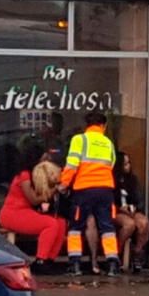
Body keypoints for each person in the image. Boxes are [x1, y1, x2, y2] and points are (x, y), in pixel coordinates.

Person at [59, 111, 121, 277]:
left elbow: (71, 165)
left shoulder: (80, 140)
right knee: (107, 227)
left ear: (86, 125)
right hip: (105, 190)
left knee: (76, 227)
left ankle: (75, 264)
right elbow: (112, 163)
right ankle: (113, 264)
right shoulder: (108, 142)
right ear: (103, 126)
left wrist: (64, 185)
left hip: (84, 189)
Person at [0, 144, 66, 274]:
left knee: (61, 223)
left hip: (24, 212)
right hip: (13, 214)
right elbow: (33, 199)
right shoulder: (24, 175)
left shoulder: (33, 175)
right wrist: (53, 190)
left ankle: (49, 260)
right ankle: (40, 260)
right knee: (50, 224)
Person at [114, 151, 149, 273]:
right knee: (129, 225)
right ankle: (116, 254)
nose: (128, 166)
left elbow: (139, 199)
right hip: (116, 211)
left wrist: (134, 207)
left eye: (129, 163)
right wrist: (120, 208)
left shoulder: (133, 180)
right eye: (125, 164)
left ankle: (137, 252)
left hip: (132, 210)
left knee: (143, 223)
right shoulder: (112, 180)